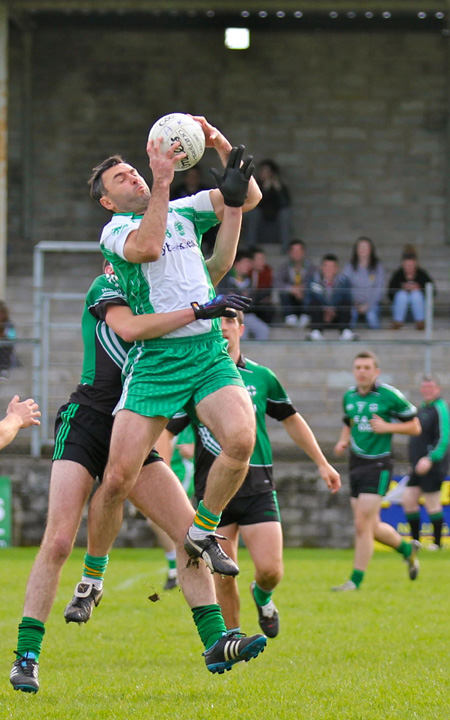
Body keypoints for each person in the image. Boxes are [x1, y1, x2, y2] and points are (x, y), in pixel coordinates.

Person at [10, 263, 264, 693]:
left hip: (137, 425)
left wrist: (234, 205)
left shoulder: (166, 291)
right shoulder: (106, 284)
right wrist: (199, 310)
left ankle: (215, 639)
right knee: (57, 540)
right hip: (88, 421)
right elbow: (129, 329)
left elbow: (214, 266)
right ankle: (27, 656)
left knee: (191, 535)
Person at [81, 119, 262, 598]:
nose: (134, 178)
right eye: (121, 179)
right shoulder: (115, 230)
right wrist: (162, 180)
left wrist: (222, 146)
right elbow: (148, 246)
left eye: (134, 172)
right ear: (107, 200)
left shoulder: (183, 210)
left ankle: (203, 527)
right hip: (157, 360)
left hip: (206, 351)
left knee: (241, 440)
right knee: (118, 477)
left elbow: (247, 198)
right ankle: (92, 574)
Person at [163, 310, 341, 637]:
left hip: (258, 486)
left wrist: (322, 462)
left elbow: (291, 419)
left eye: (230, 321)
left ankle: (262, 596)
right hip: (214, 492)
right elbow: (167, 429)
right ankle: (233, 640)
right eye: (217, 322)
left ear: (241, 328)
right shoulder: (196, 378)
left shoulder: (262, 377)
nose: (224, 327)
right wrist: (160, 470)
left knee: (271, 570)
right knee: (224, 575)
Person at [332, 350, 422, 591]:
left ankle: (355, 581)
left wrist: (387, 427)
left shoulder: (389, 396)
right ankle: (406, 548)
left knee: (362, 524)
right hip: (356, 463)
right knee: (370, 527)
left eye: (367, 368)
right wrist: (343, 440)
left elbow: (415, 427)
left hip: (379, 464)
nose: (362, 372)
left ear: (376, 372)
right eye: (358, 367)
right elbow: (348, 422)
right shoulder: (349, 396)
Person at [403, 375, 449, 550]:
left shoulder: (440, 408)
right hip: (417, 465)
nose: (427, 390)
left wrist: (430, 458)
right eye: (424, 387)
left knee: (432, 503)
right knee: (408, 500)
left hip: (433, 465)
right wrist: (413, 461)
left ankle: (437, 544)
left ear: (437, 389)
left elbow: (444, 438)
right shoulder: (422, 408)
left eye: (430, 387)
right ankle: (416, 542)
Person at [153, 424, 196, 590]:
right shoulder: (161, 411)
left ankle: (182, 568)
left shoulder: (189, 413)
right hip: (164, 472)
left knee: (183, 523)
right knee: (155, 520)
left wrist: (194, 449)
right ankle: (176, 567)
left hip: (183, 473)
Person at [219, 251, 270, 340]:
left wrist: (236, 295)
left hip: (247, 314)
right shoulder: (226, 280)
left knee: (263, 330)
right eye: (245, 263)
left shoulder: (249, 281)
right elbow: (225, 299)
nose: (248, 267)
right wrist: (242, 295)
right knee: (242, 333)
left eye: (249, 264)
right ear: (237, 264)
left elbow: (251, 303)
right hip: (231, 314)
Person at [244, 159, 291, 251]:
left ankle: (285, 248)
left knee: (285, 213)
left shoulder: (281, 187)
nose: (264, 174)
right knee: (254, 213)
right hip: (260, 218)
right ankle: (250, 247)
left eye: (267, 172)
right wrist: (265, 190)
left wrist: (278, 189)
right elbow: (254, 204)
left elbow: (285, 204)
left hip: (275, 218)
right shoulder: (256, 185)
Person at [305, 253, 355, 341]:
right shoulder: (313, 281)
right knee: (314, 304)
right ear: (321, 267)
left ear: (337, 269)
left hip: (337, 316)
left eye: (332, 267)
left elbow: (348, 299)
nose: (329, 270)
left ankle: (345, 331)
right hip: (320, 316)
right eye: (326, 266)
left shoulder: (344, 282)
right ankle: (316, 331)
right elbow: (307, 300)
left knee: (345, 304)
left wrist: (333, 310)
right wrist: (325, 310)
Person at [387, 246, 435, 330]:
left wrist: (419, 288)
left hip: (418, 311)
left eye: (411, 265)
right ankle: (397, 322)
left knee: (416, 294)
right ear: (403, 264)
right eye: (407, 265)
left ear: (415, 264)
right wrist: (402, 288)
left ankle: (420, 323)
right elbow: (389, 293)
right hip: (402, 312)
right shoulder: (398, 275)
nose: (409, 268)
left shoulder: (422, 275)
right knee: (402, 295)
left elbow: (433, 292)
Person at [342, 237, 385, 330]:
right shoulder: (349, 267)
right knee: (349, 319)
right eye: (360, 247)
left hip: (372, 304)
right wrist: (354, 302)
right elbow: (345, 287)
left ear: (371, 250)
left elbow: (379, 289)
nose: (363, 250)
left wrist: (368, 304)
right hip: (353, 304)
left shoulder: (378, 267)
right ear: (356, 250)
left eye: (366, 247)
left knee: (372, 317)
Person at [274, 239, 316, 327]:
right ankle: (290, 317)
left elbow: (315, 282)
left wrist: (302, 289)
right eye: (294, 251)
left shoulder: (311, 267)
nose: (296, 253)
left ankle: (306, 316)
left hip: (305, 297)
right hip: (291, 297)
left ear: (303, 252)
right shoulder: (284, 267)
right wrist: (292, 289)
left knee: (311, 293)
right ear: (289, 253)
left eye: (299, 251)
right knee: (283, 293)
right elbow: (277, 283)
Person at [249, 246, 275, 325]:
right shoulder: (247, 272)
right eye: (259, 259)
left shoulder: (267, 272)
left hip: (260, 303)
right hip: (249, 303)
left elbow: (266, 290)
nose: (262, 262)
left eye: (263, 259)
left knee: (268, 308)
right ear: (252, 261)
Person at [0, 300, 18, 380]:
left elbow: (12, 337)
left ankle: (4, 370)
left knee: (6, 346)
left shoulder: (8, 324)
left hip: (4, 349)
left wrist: (4, 336)